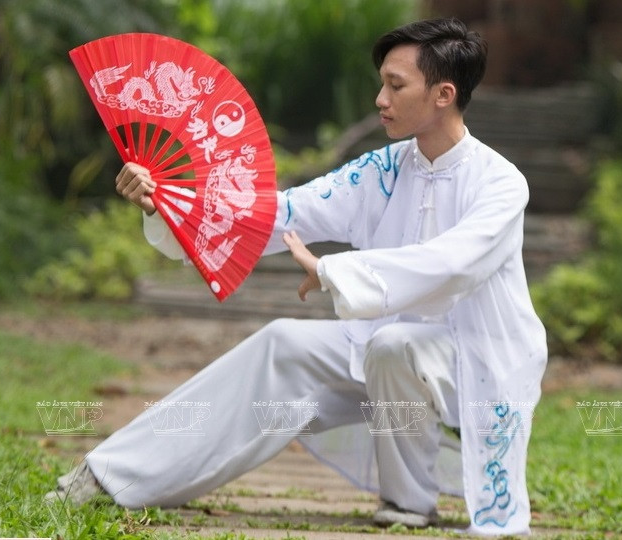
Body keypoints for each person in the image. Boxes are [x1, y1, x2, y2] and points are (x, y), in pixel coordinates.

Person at [46, 18, 547, 536]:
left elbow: (453, 263)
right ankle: (111, 475)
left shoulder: (501, 183)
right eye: (382, 83)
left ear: (444, 94)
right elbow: (279, 213)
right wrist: (171, 203)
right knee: (282, 342)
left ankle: (409, 502)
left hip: (475, 354)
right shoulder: (381, 170)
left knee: (395, 345)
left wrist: (332, 270)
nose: (380, 98)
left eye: (395, 86)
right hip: (380, 343)